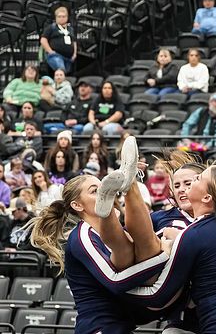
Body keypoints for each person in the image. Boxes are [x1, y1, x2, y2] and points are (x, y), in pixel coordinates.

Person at [30, 137, 173, 334]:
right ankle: (129, 183)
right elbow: (115, 282)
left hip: (122, 324)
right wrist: (163, 256)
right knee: (127, 248)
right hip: (99, 326)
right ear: (77, 205)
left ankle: (129, 181)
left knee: (132, 244)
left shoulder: (106, 232)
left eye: (104, 188)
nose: (102, 193)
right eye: (95, 191)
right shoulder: (81, 237)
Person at [125, 164, 216, 333]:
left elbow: (157, 295)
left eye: (198, 178)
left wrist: (117, 288)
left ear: (206, 197)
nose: (193, 179)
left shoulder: (195, 234)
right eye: (177, 184)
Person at [40, 6, 78, 73]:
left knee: (65, 75)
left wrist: (74, 54)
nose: (61, 18)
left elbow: (74, 41)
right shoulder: (51, 27)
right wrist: (50, 51)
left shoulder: (70, 29)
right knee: (61, 71)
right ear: (56, 17)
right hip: (56, 55)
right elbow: (43, 40)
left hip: (69, 57)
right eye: (59, 16)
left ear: (67, 17)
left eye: (63, 16)